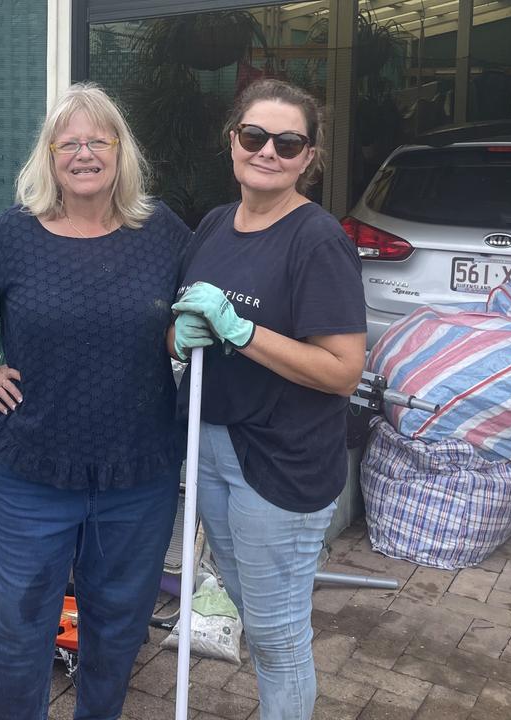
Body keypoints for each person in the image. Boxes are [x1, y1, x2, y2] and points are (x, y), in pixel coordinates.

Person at [0, 83, 189, 720]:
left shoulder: (162, 234)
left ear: (120, 152)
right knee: (17, 632)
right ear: (49, 157)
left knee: (117, 629)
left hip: (138, 473)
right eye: (67, 142)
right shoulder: (16, 236)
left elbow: (192, 308)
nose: (83, 154)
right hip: (33, 472)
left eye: (97, 140)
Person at [170, 79, 366, 719]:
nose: (268, 153)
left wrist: (243, 331)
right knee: (254, 615)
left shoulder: (318, 241)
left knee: (278, 635)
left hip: (279, 463)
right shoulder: (212, 226)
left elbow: (342, 371)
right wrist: (181, 336)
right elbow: (177, 328)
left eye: (288, 143)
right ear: (233, 142)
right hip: (211, 445)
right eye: (255, 137)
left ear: (309, 157)